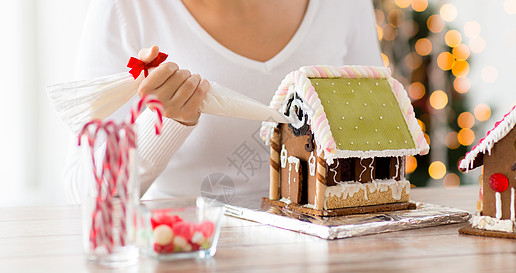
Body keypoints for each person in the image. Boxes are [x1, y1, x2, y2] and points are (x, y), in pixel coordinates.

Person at [65, 0, 383, 203]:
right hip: (186, 258)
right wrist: (165, 122)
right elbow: (85, 192)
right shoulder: (127, 9)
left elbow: (377, 138)